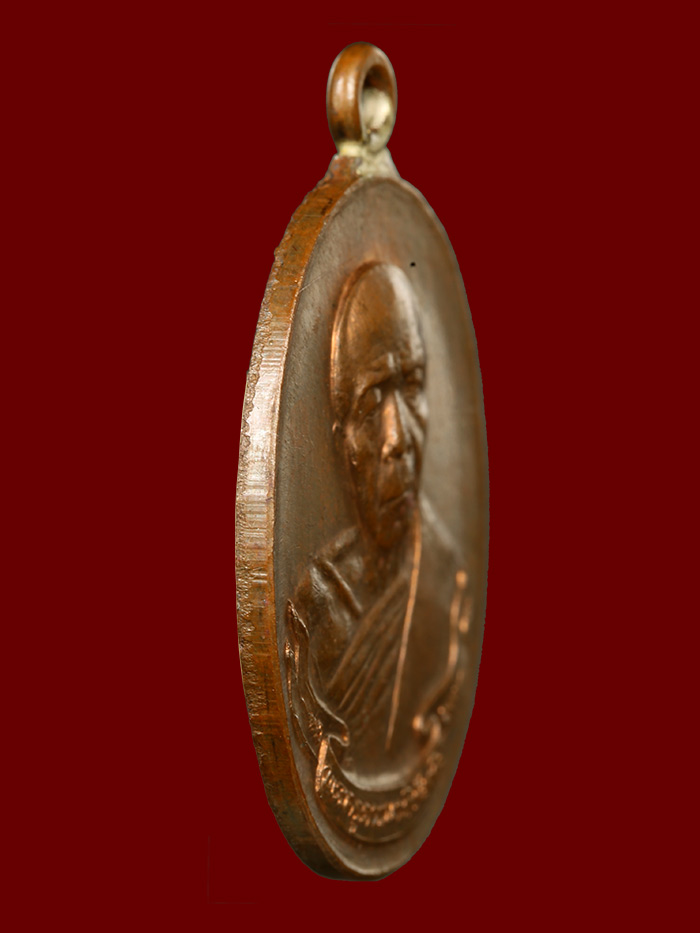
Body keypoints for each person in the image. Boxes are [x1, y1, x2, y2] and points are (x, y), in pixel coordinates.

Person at [286, 262, 469, 784]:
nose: (397, 438)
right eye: (371, 401)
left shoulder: (447, 579)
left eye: (411, 386)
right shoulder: (317, 609)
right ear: (340, 440)